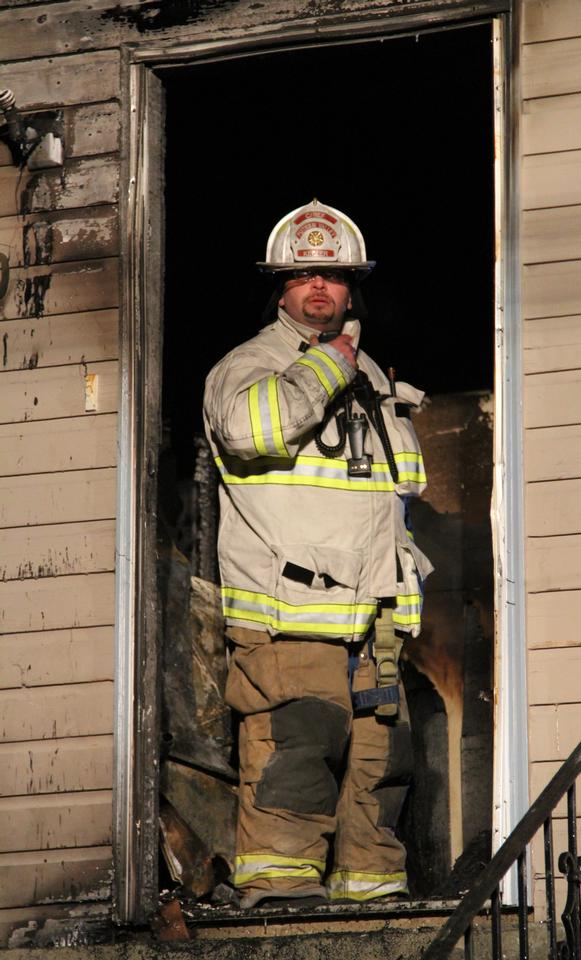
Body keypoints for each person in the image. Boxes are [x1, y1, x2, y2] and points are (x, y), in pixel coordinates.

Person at [203, 199, 432, 908]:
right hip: (290, 615)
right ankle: (278, 904)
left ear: (351, 286)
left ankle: (373, 899)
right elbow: (248, 431)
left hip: (372, 623)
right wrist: (327, 369)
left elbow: (394, 498)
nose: (319, 289)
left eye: (332, 276)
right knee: (295, 761)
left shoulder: (373, 381)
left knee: (380, 768)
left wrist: (400, 594)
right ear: (280, 286)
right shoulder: (248, 366)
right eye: (303, 275)